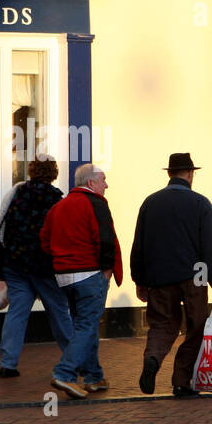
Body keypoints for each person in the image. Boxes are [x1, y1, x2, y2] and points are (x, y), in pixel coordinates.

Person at [130, 152, 212, 398]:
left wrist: (139, 280)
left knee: (162, 324)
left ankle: (152, 359)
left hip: (159, 275)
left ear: (169, 173)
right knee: (196, 327)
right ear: (190, 173)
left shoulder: (150, 203)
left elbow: (139, 245)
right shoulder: (201, 203)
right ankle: (181, 382)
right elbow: (211, 247)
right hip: (195, 275)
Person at [40, 164, 123, 398]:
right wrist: (107, 270)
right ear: (90, 183)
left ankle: (94, 376)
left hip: (64, 277)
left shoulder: (58, 207)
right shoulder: (96, 203)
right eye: (103, 180)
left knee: (84, 326)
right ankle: (64, 374)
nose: (106, 185)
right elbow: (106, 239)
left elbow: (45, 241)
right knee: (87, 327)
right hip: (89, 274)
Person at [0, 157, 72, 378]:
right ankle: (74, 358)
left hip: (16, 263)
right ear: (53, 173)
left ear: (31, 171)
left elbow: (1, 223)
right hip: (44, 266)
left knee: (17, 313)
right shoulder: (56, 198)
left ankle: (8, 363)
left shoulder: (17, 192)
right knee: (59, 313)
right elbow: (62, 235)